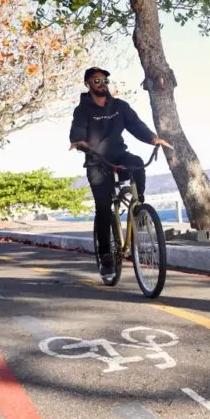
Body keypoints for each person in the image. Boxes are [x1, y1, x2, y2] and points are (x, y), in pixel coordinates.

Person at [69, 66, 172, 277]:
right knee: (104, 208)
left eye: (105, 80)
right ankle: (106, 255)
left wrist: (153, 138)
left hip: (119, 155)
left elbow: (136, 125)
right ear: (88, 84)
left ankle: (139, 210)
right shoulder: (83, 110)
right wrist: (79, 141)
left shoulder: (119, 106)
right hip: (97, 161)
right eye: (96, 81)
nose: (102, 84)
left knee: (137, 163)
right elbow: (78, 128)